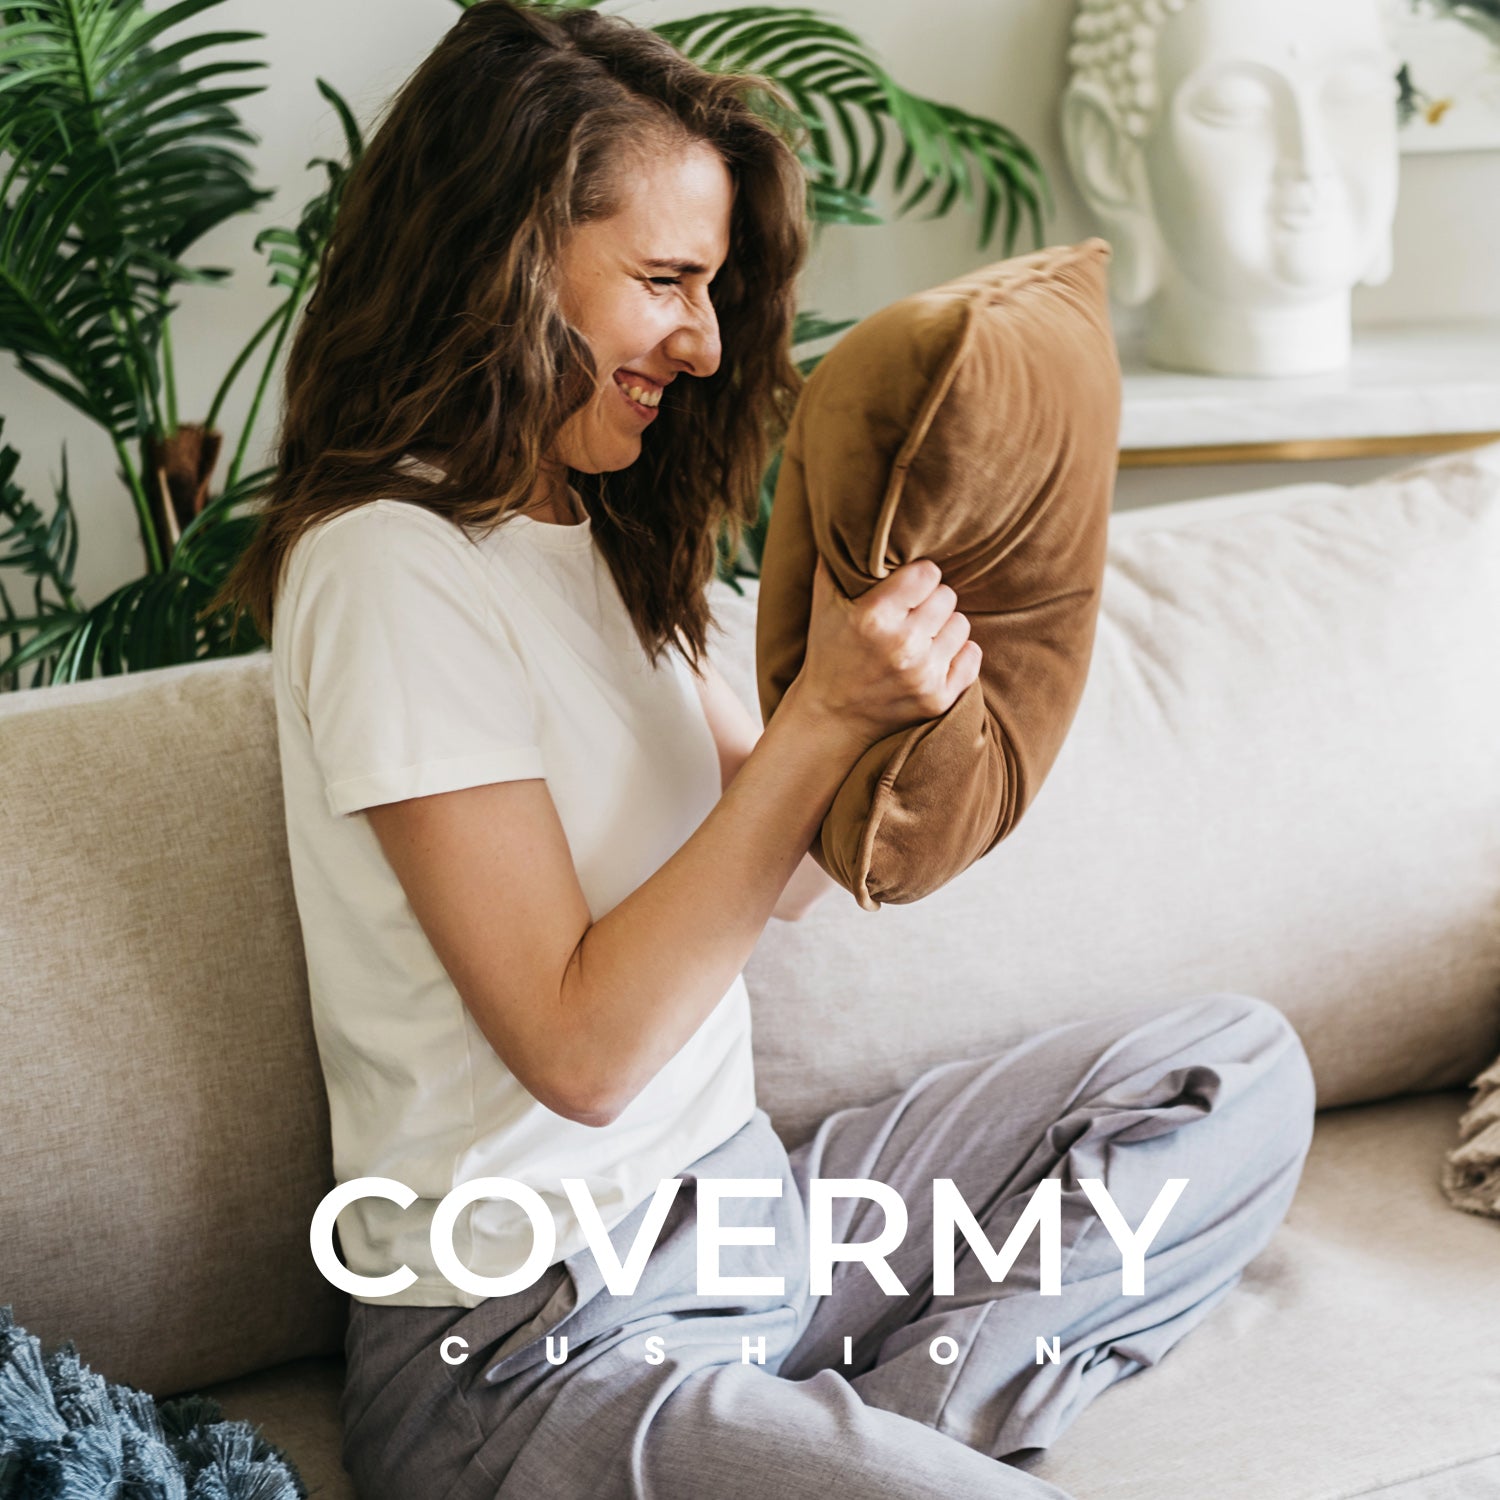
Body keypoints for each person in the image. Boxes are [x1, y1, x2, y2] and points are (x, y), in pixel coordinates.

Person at [215, 4, 1319, 1497]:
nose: (709, 338)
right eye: (665, 280)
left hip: (752, 1237)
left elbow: (787, 878)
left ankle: (888, 1434)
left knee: (1230, 1071)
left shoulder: (597, 536)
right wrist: (820, 723)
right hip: (536, 1344)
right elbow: (582, 1052)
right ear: (506, 259)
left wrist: (905, 683)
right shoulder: (386, 568)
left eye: (717, 287)